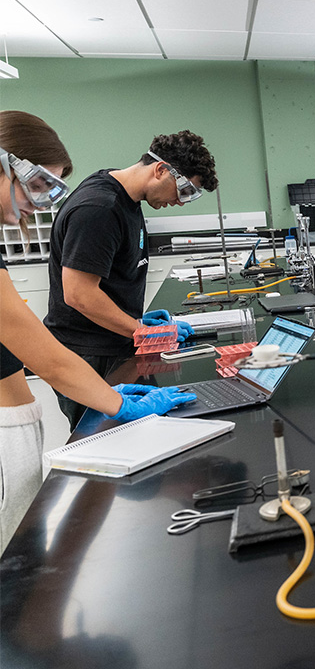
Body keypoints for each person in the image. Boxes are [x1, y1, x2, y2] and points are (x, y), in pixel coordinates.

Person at [0, 111, 196, 552]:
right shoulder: (99, 204)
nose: (39, 202)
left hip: (17, 416)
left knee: (23, 549)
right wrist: (115, 401)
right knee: (18, 556)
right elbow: (49, 351)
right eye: (35, 185)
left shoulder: (121, 201)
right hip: (18, 417)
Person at [45, 130, 217, 428]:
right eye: (185, 190)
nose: (181, 201)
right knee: (103, 444)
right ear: (161, 170)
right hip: (90, 355)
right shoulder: (99, 207)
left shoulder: (126, 199)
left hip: (111, 344)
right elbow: (79, 295)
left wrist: (137, 320)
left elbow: (108, 279)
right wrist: (139, 330)